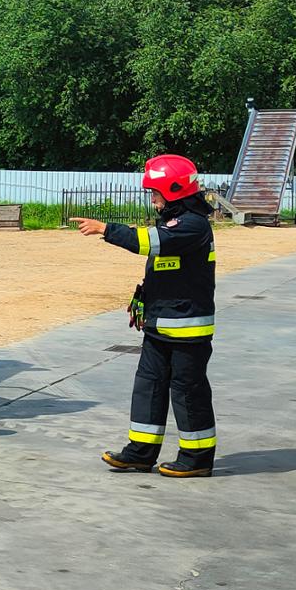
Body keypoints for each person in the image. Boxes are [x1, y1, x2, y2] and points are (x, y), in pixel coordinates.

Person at [68, 154, 218, 478]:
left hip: (186, 329)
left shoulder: (192, 225)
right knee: (148, 386)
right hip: (160, 324)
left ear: (173, 190)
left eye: (155, 192)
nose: (152, 199)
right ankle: (140, 453)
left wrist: (105, 229)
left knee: (187, 391)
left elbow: (146, 242)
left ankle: (197, 457)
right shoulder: (175, 222)